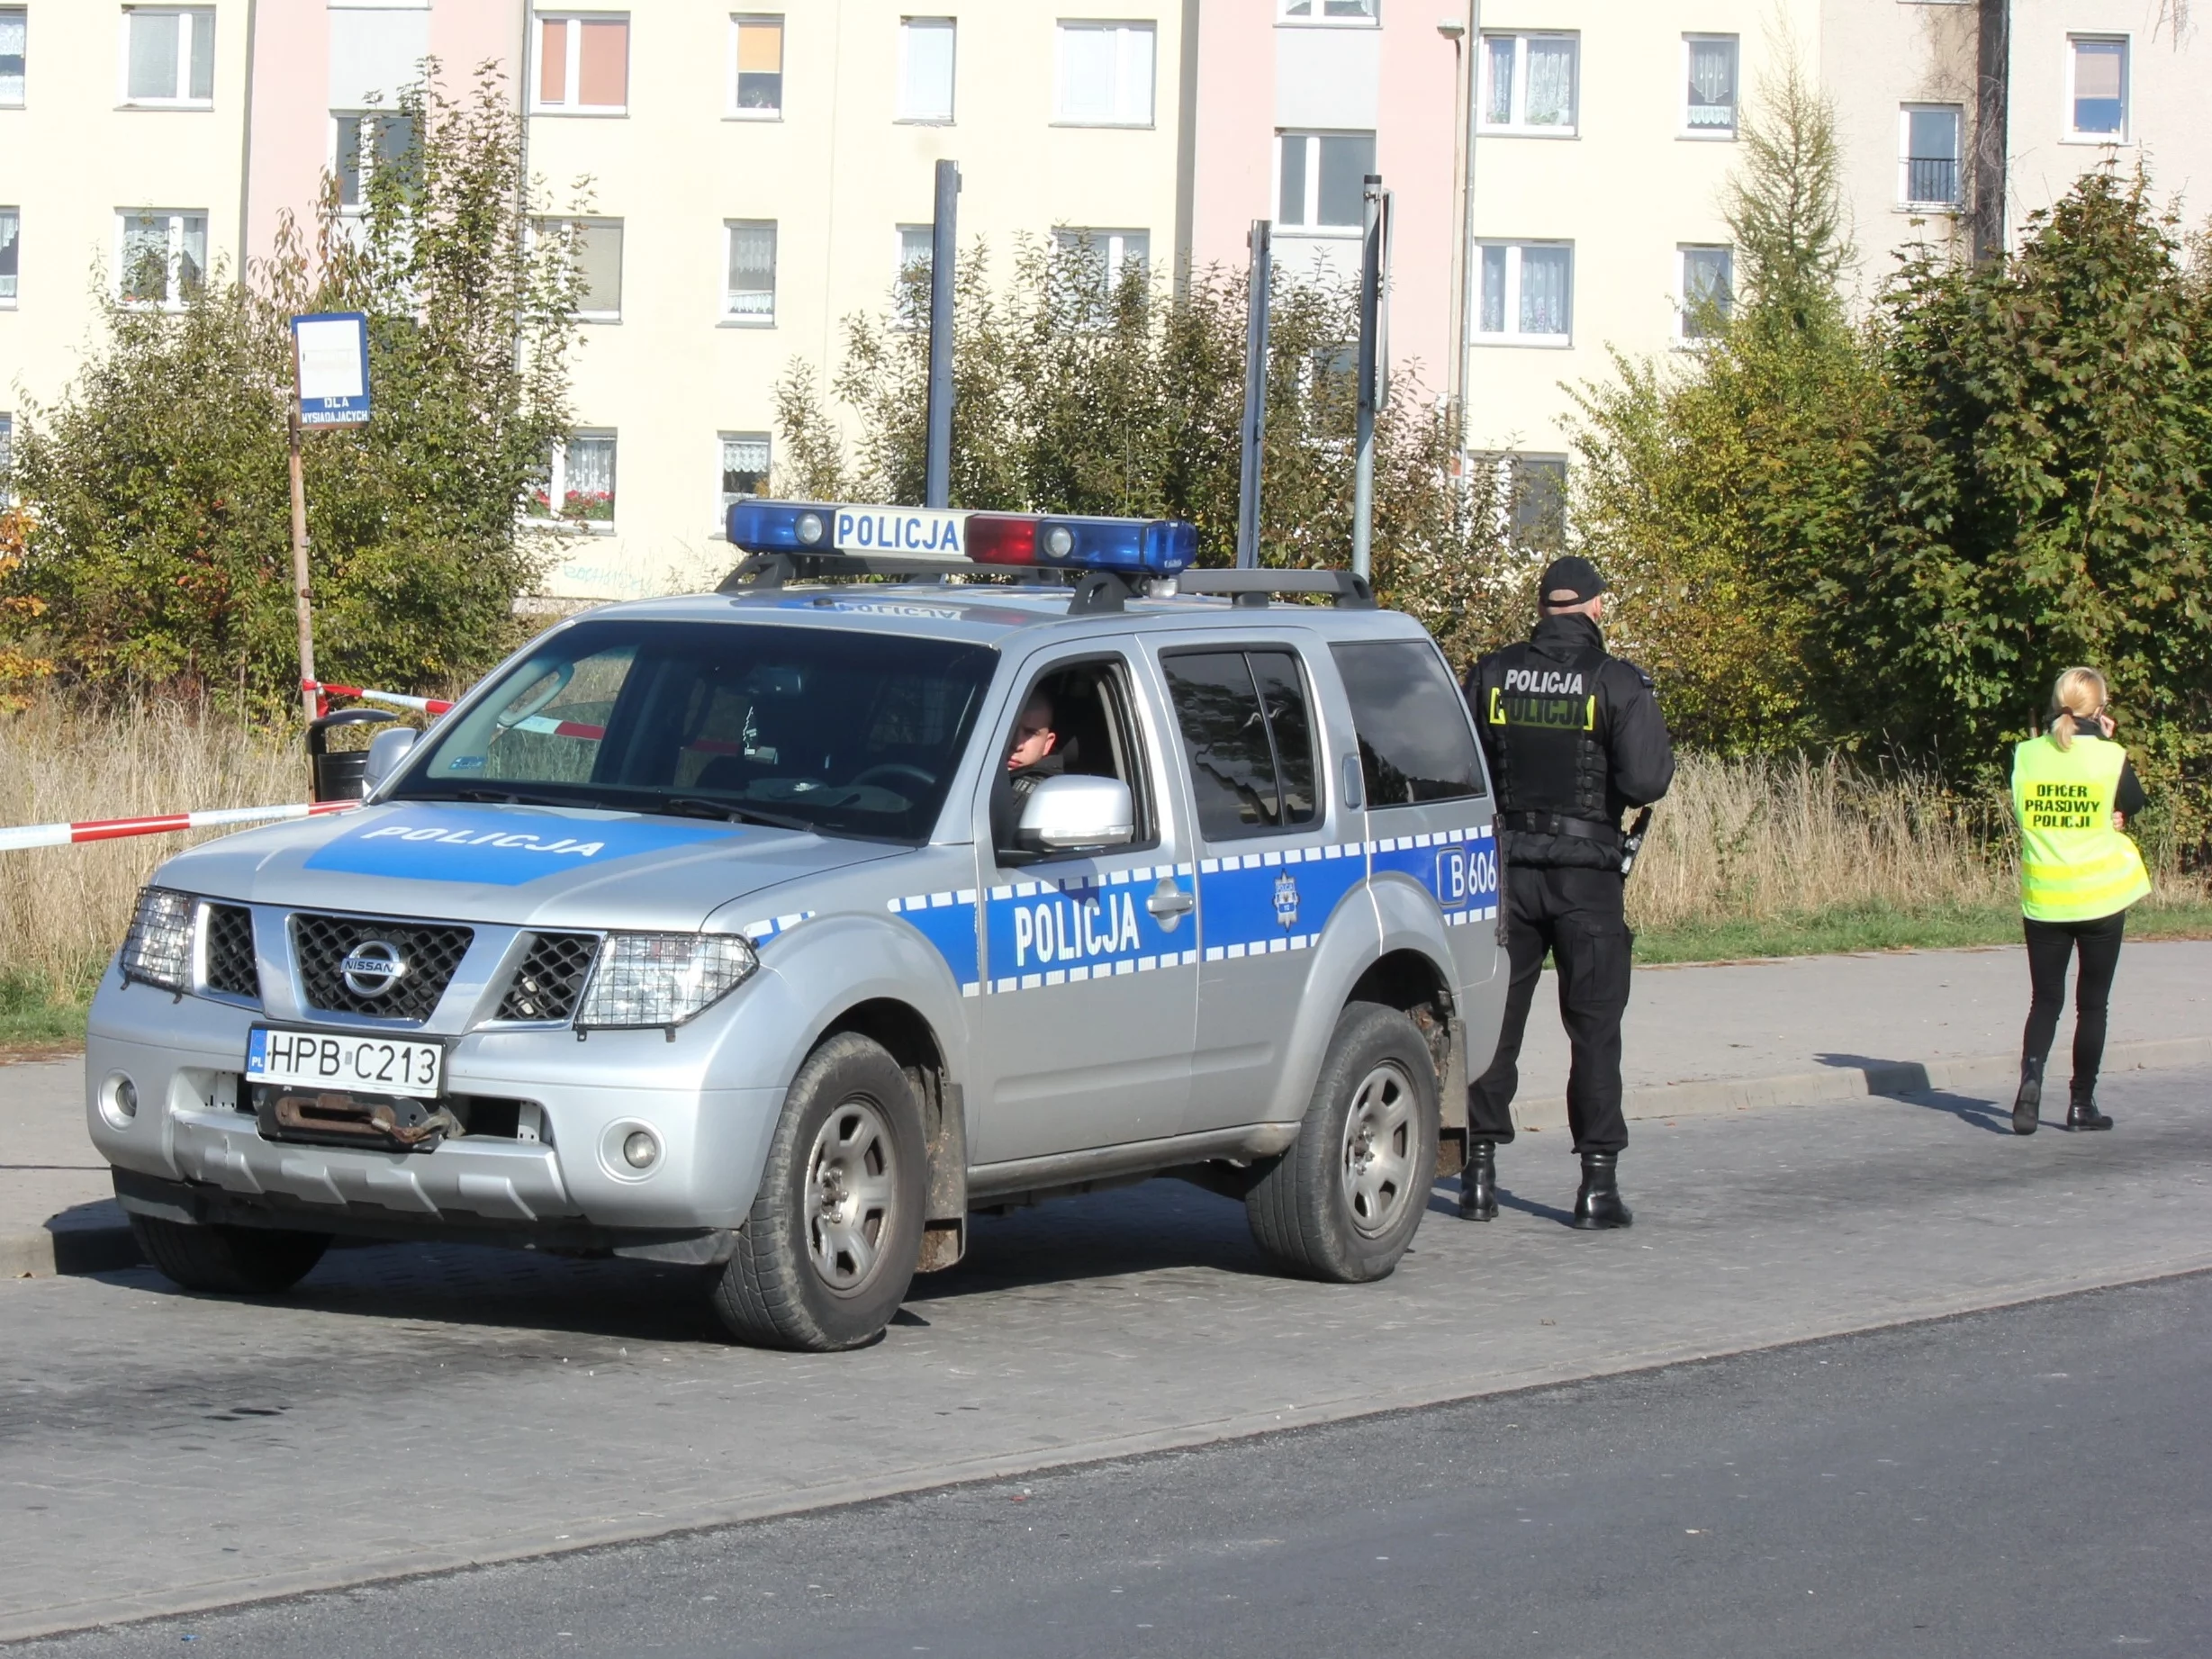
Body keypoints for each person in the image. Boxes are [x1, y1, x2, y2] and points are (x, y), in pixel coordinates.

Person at [1459, 556, 1675, 1229]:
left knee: (1496, 1028)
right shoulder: (1617, 682)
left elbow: (1460, 761)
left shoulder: (1491, 673)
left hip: (1507, 871)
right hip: (1586, 877)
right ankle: (1595, 1187)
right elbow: (1646, 782)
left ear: (1542, 607)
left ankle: (1477, 1177)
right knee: (1594, 1030)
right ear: (1596, 607)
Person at [2009, 666, 2150, 1137]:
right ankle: (2080, 1104)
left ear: (2056, 705)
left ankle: (2030, 1083)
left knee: (2045, 1000)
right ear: (2101, 710)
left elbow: (2028, 811)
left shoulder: (2027, 756)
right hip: (2099, 899)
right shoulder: (2108, 758)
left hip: (2045, 899)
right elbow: (2133, 801)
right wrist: (2107, 747)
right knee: (2092, 1005)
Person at [990, 691, 1064, 852]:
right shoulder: (978, 775)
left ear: (1048, 743)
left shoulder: (1044, 793)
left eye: (1030, 733)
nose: (1017, 744)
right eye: (1009, 729)